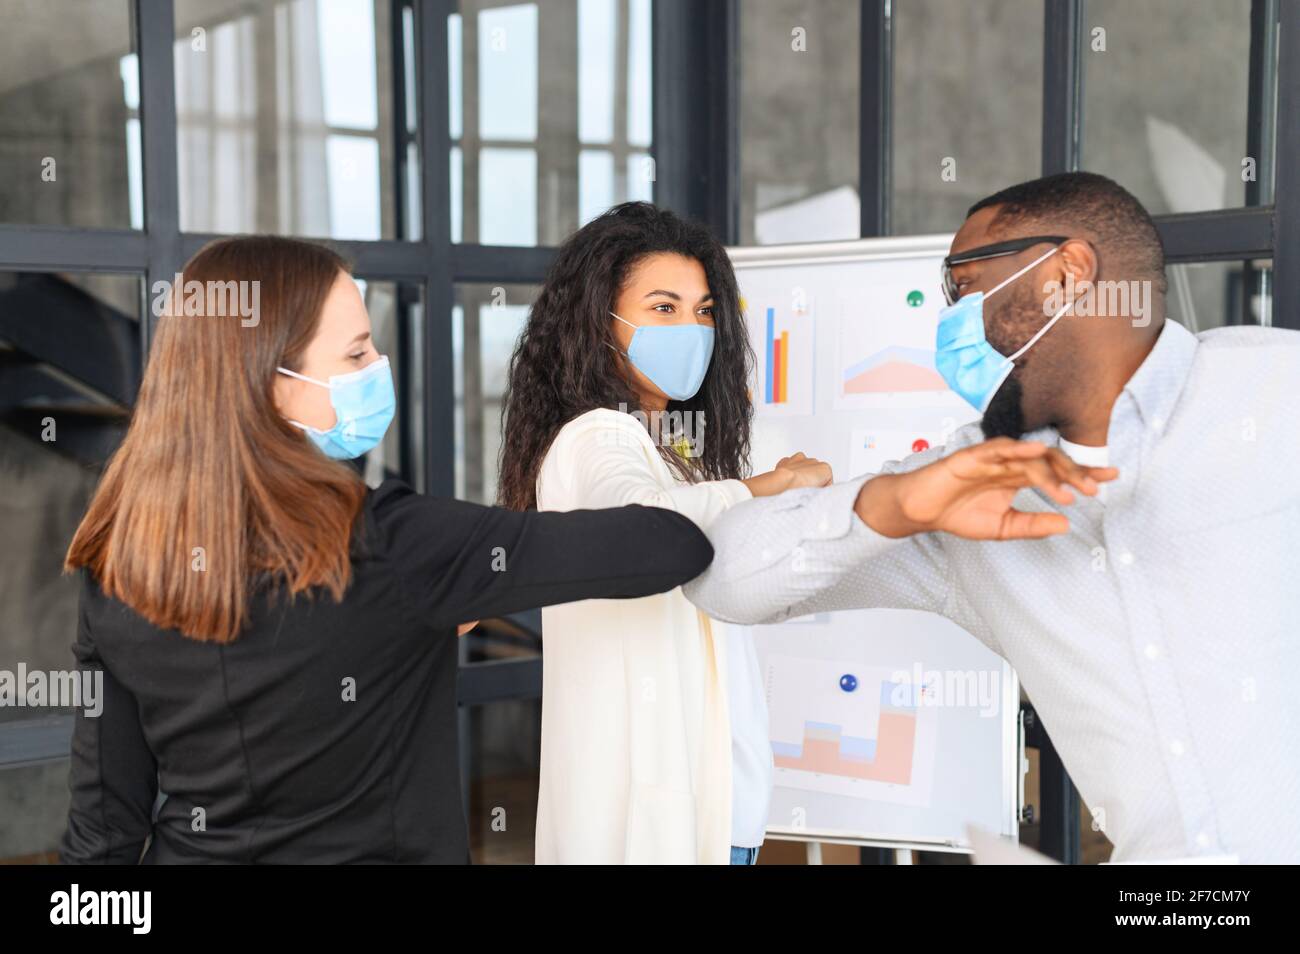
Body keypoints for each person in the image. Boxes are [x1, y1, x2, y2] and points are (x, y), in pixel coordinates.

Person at [685, 171, 1300, 863]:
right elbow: (720, 579)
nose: (950, 324)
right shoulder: (959, 492)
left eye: (965, 288)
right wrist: (887, 507)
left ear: (1068, 273)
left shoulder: (1277, 394)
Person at [59, 235, 714, 864]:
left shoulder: (118, 559)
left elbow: (103, 829)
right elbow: (670, 546)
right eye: (355, 356)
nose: (379, 369)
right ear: (271, 382)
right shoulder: (395, 542)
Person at [498, 202, 831, 864]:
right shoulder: (598, 435)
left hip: (715, 802)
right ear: (600, 324)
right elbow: (641, 523)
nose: (692, 329)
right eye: (663, 308)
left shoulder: (674, 448)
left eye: (705, 311)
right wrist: (770, 485)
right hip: (654, 820)